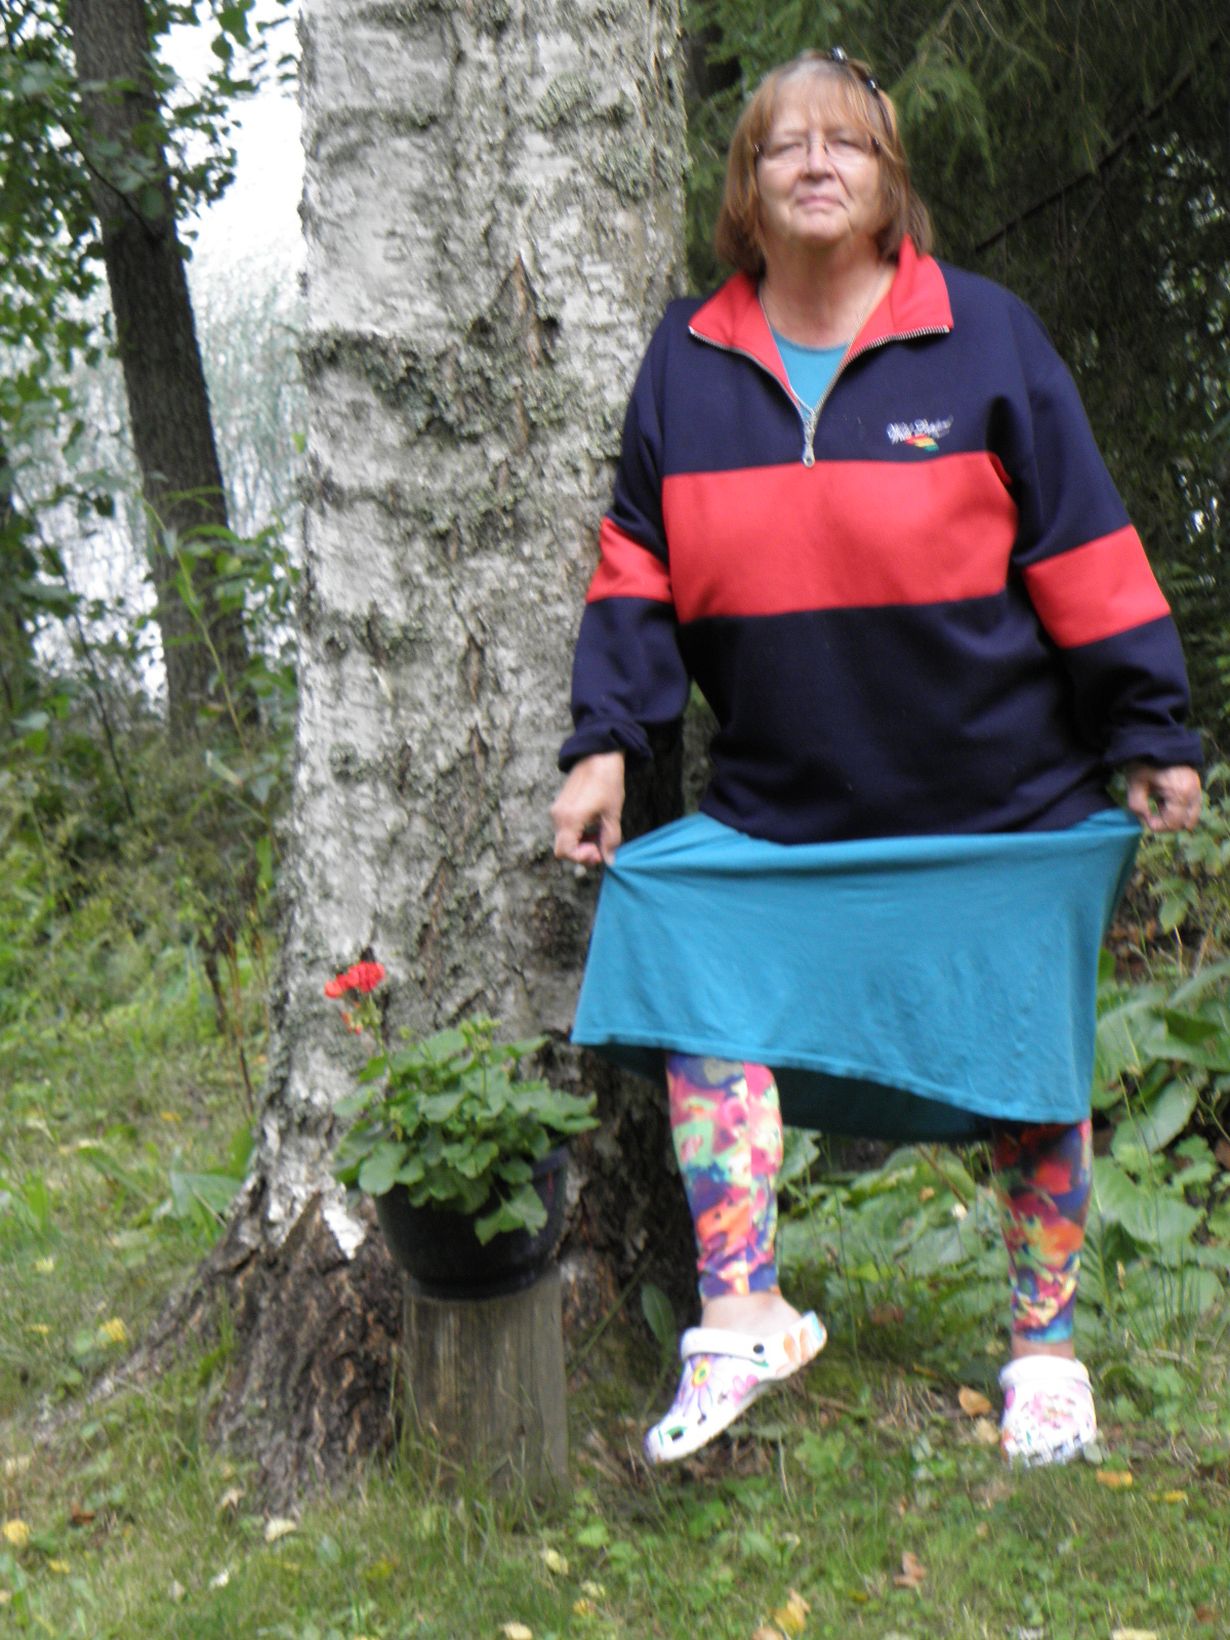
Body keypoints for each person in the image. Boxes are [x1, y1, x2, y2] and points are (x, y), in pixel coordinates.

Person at [551, 48, 1202, 1469]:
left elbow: (1082, 544)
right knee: (681, 937)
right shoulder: (687, 359)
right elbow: (635, 566)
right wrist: (604, 744)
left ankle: (1045, 1354)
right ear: (745, 185)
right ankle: (741, 1313)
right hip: (782, 815)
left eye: (845, 141)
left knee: (1030, 1063)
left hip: (1001, 808)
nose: (815, 162)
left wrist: (1149, 727)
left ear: (888, 178)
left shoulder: (985, 337)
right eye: (783, 143)